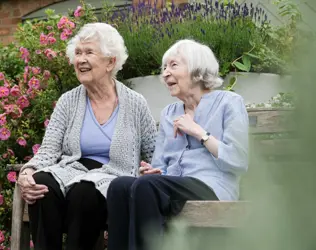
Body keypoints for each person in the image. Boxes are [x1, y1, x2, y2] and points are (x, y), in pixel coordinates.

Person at [17, 23, 156, 250]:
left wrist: (149, 170)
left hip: (113, 174)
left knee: (85, 192)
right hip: (72, 169)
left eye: (89, 52)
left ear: (110, 62)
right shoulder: (68, 101)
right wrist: (28, 172)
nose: (80, 60)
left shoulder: (135, 103)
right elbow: (49, 150)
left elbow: (153, 153)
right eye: (78, 53)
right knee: (41, 185)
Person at [106, 39, 249, 250]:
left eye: (173, 65)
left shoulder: (228, 103)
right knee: (119, 186)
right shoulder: (169, 113)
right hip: (172, 187)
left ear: (197, 70)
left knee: (147, 187)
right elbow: (160, 166)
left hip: (212, 186)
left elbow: (238, 160)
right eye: (164, 68)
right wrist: (155, 171)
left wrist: (199, 132)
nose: (165, 73)